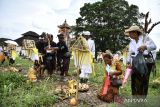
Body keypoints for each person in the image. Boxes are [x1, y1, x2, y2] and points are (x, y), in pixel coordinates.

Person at [124, 25, 157, 97]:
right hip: (135, 64)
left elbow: (154, 46)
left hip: (145, 63)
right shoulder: (131, 42)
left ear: (135, 32)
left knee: (143, 81)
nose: (129, 35)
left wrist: (145, 47)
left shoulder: (145, 38)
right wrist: (128, 62)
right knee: (134, 80)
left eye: (130, 33)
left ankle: (142, 100)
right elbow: (130, 53)